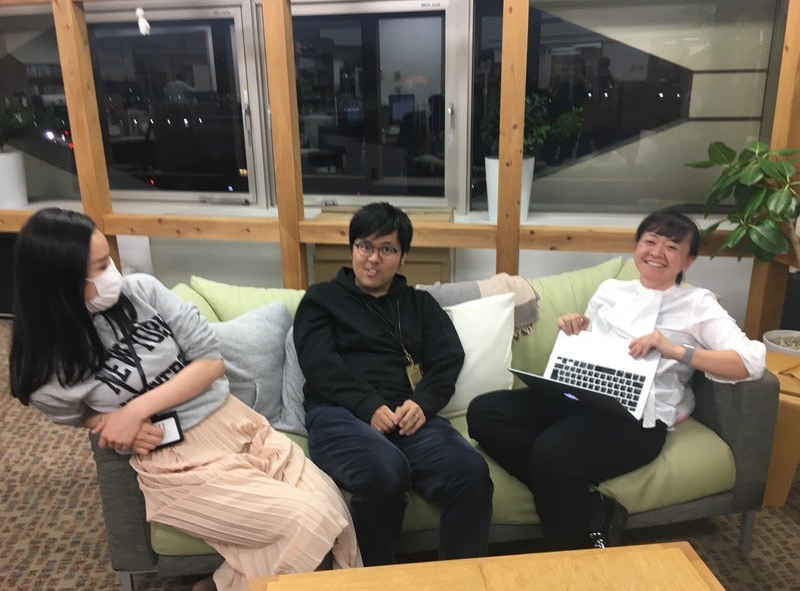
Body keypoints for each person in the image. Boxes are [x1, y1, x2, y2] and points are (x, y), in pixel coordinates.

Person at [8, 208, 361, 591]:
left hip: (236, 423)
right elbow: (69, 411)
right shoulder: (51, 361)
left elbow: (210, 363)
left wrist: (134, 411)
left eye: (109, 260)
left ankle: (219, 584)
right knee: (309, 520)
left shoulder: (142, 291)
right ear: (61, 283)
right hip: (176, 461)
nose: (114, 275)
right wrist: (106, 423)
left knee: (335, 513)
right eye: (100, 267)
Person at [466, 208, 766, 551]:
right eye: (650, 241)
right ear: (637, 246)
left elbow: (751, 362)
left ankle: (567, 557)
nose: (657, 252)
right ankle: (593, 508)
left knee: (552, 453)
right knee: (484, 412)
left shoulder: (698, 304)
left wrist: (676, 350)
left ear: (689, 260)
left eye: (671, 247)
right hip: (584, 394)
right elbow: (593, 346)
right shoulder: (611, 290)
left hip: (638, 416)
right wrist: (576, 327)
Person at [293, 202, 493, 566]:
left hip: (407, 416)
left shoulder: (419, 305)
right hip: (339, 415)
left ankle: (460, 581)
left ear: (402, 257)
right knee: (384, 470)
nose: (373, 258)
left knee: (471, 472)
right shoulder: (321, 300)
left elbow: (448, 358)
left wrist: (423, 403)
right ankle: (376, 580)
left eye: (386, 249)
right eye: (364, 246)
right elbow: (320, 364)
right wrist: (368, 405)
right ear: (352, 248)